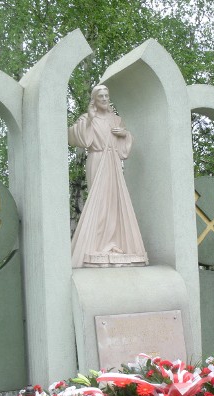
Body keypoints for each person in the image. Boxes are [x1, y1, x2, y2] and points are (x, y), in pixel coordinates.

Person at [68, 85, 148, 268]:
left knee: (114, 202)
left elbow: (124, 150)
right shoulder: (87, 118)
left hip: (113, 163)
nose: (104, 99)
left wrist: (125, 134)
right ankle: (96, 244)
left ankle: (112, 243)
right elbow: (77, 138)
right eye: (100, 96)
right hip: (97, 159)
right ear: (94, 100)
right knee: (100, 202)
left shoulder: (116, 120)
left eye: (106, 95)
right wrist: (89, 118)